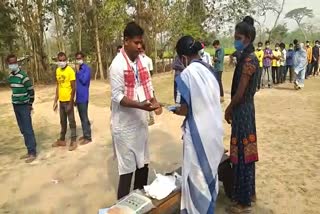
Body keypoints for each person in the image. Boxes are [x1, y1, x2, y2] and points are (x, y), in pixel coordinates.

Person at [109, 22, 162, 200]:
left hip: (140, 122)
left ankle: (140, 204)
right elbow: (117, 97)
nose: (140, 46)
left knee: (143, 165)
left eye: (141, 42)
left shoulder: (141, 62)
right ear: (126, 41)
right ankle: (121, 206)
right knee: (127, 171)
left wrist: (154, 102)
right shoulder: (117, 66)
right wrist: (141, 106)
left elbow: (148, 85)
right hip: (124, 127)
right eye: (136, 43)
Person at [174, 35, 224, 214]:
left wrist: (175, 110)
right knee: (210, 177)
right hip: (214, 132)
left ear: (183, 58)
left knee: (196, 179)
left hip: (198, 136)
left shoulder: (186, 75)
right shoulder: (210, 70)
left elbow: (185, 109)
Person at [225, 16, 259, 213]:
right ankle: (250, 193)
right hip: (246, 109)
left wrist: (229, 108)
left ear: (247, 38)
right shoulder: (247, 57)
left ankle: (243, 201)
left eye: (238, 37)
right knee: (247, 151)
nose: (235, 40)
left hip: (242, 110)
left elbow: (240, 91)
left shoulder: (248, 60)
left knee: (242, 153)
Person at [7, 54, 37, 163]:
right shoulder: (10, 77)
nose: (13, 65)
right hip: (16, 105)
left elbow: (31, 90)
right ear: (8, 64)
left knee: (27, 128)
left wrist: (30, 104)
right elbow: (13, 89)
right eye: (11, 63)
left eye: (14, 62)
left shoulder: (23, 76)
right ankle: (29, 150)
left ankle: (32, 152)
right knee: (22, 129)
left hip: (24, 105)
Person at [52, 52, 77, 151]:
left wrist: (71, 102)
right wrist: (55, 100)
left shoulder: (70, 71)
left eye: (63, 60)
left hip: (68, 100)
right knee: (62, 121)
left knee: (71, 121)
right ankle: (62, 140)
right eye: (60, 60)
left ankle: (73, 140)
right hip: (61, 101)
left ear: (66, 60)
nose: (62, 62)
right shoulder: (57, 70)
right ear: (57, 61)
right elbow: (58, 86)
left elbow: (74, 87)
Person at [74, 52, 92, 145]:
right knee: (81, 117)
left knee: (84, 117)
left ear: (83, 58)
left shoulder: (86, 69)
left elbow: (85, 81)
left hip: (84, 96)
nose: (78, 60)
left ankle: (88, 137)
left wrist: (78, 72)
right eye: (77, 58)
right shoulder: (78, 69)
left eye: (80, 58)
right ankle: (85, 134)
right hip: (78, 97)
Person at [139, 43, 155, 126]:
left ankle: (151, 118)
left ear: (144, 50)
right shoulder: (136, 60)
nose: (140, 51)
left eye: (142, 49)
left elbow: (151, 72)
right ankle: (145, 119)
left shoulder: (148, 60)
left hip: (147, 83)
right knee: (143, 101)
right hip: (140, 85)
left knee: (149, 101)